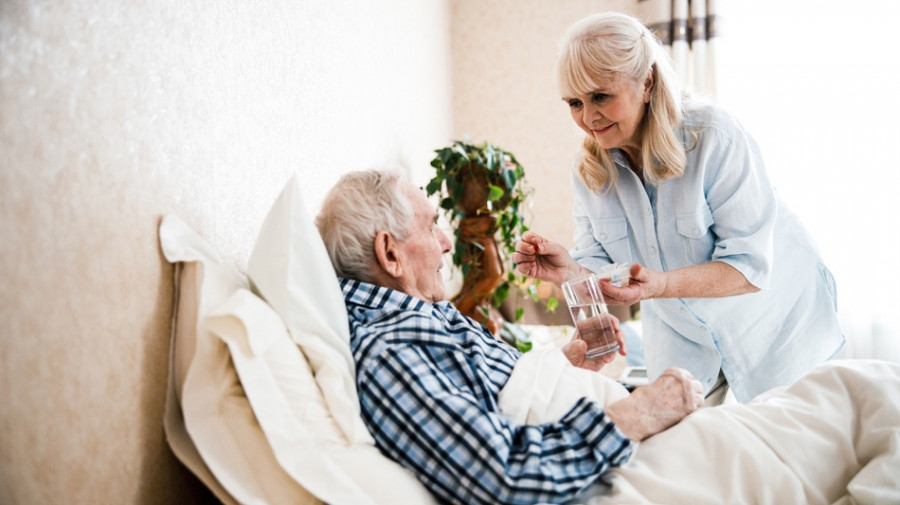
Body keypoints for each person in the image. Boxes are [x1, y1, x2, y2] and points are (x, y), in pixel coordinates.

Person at [315, 169, 705, 505]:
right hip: (625, 459)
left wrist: (565, 363)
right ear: (390, 254)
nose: (447, 241)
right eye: (431, 226)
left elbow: (497, 392)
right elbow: (505, 477)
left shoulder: (423, 316)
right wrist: (640, 412)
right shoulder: (389, 351)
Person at [513, 12, 844, 404]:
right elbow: (607, 270)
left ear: (647, 82)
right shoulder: (589, 171)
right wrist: (571, 271)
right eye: (574, 102)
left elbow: (749, 266)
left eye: (601, 96)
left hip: (771, 316)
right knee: (684, 441)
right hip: (677, 326)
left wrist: (663, 285)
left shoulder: (714, 137)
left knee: (788, 440)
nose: (587, 118)